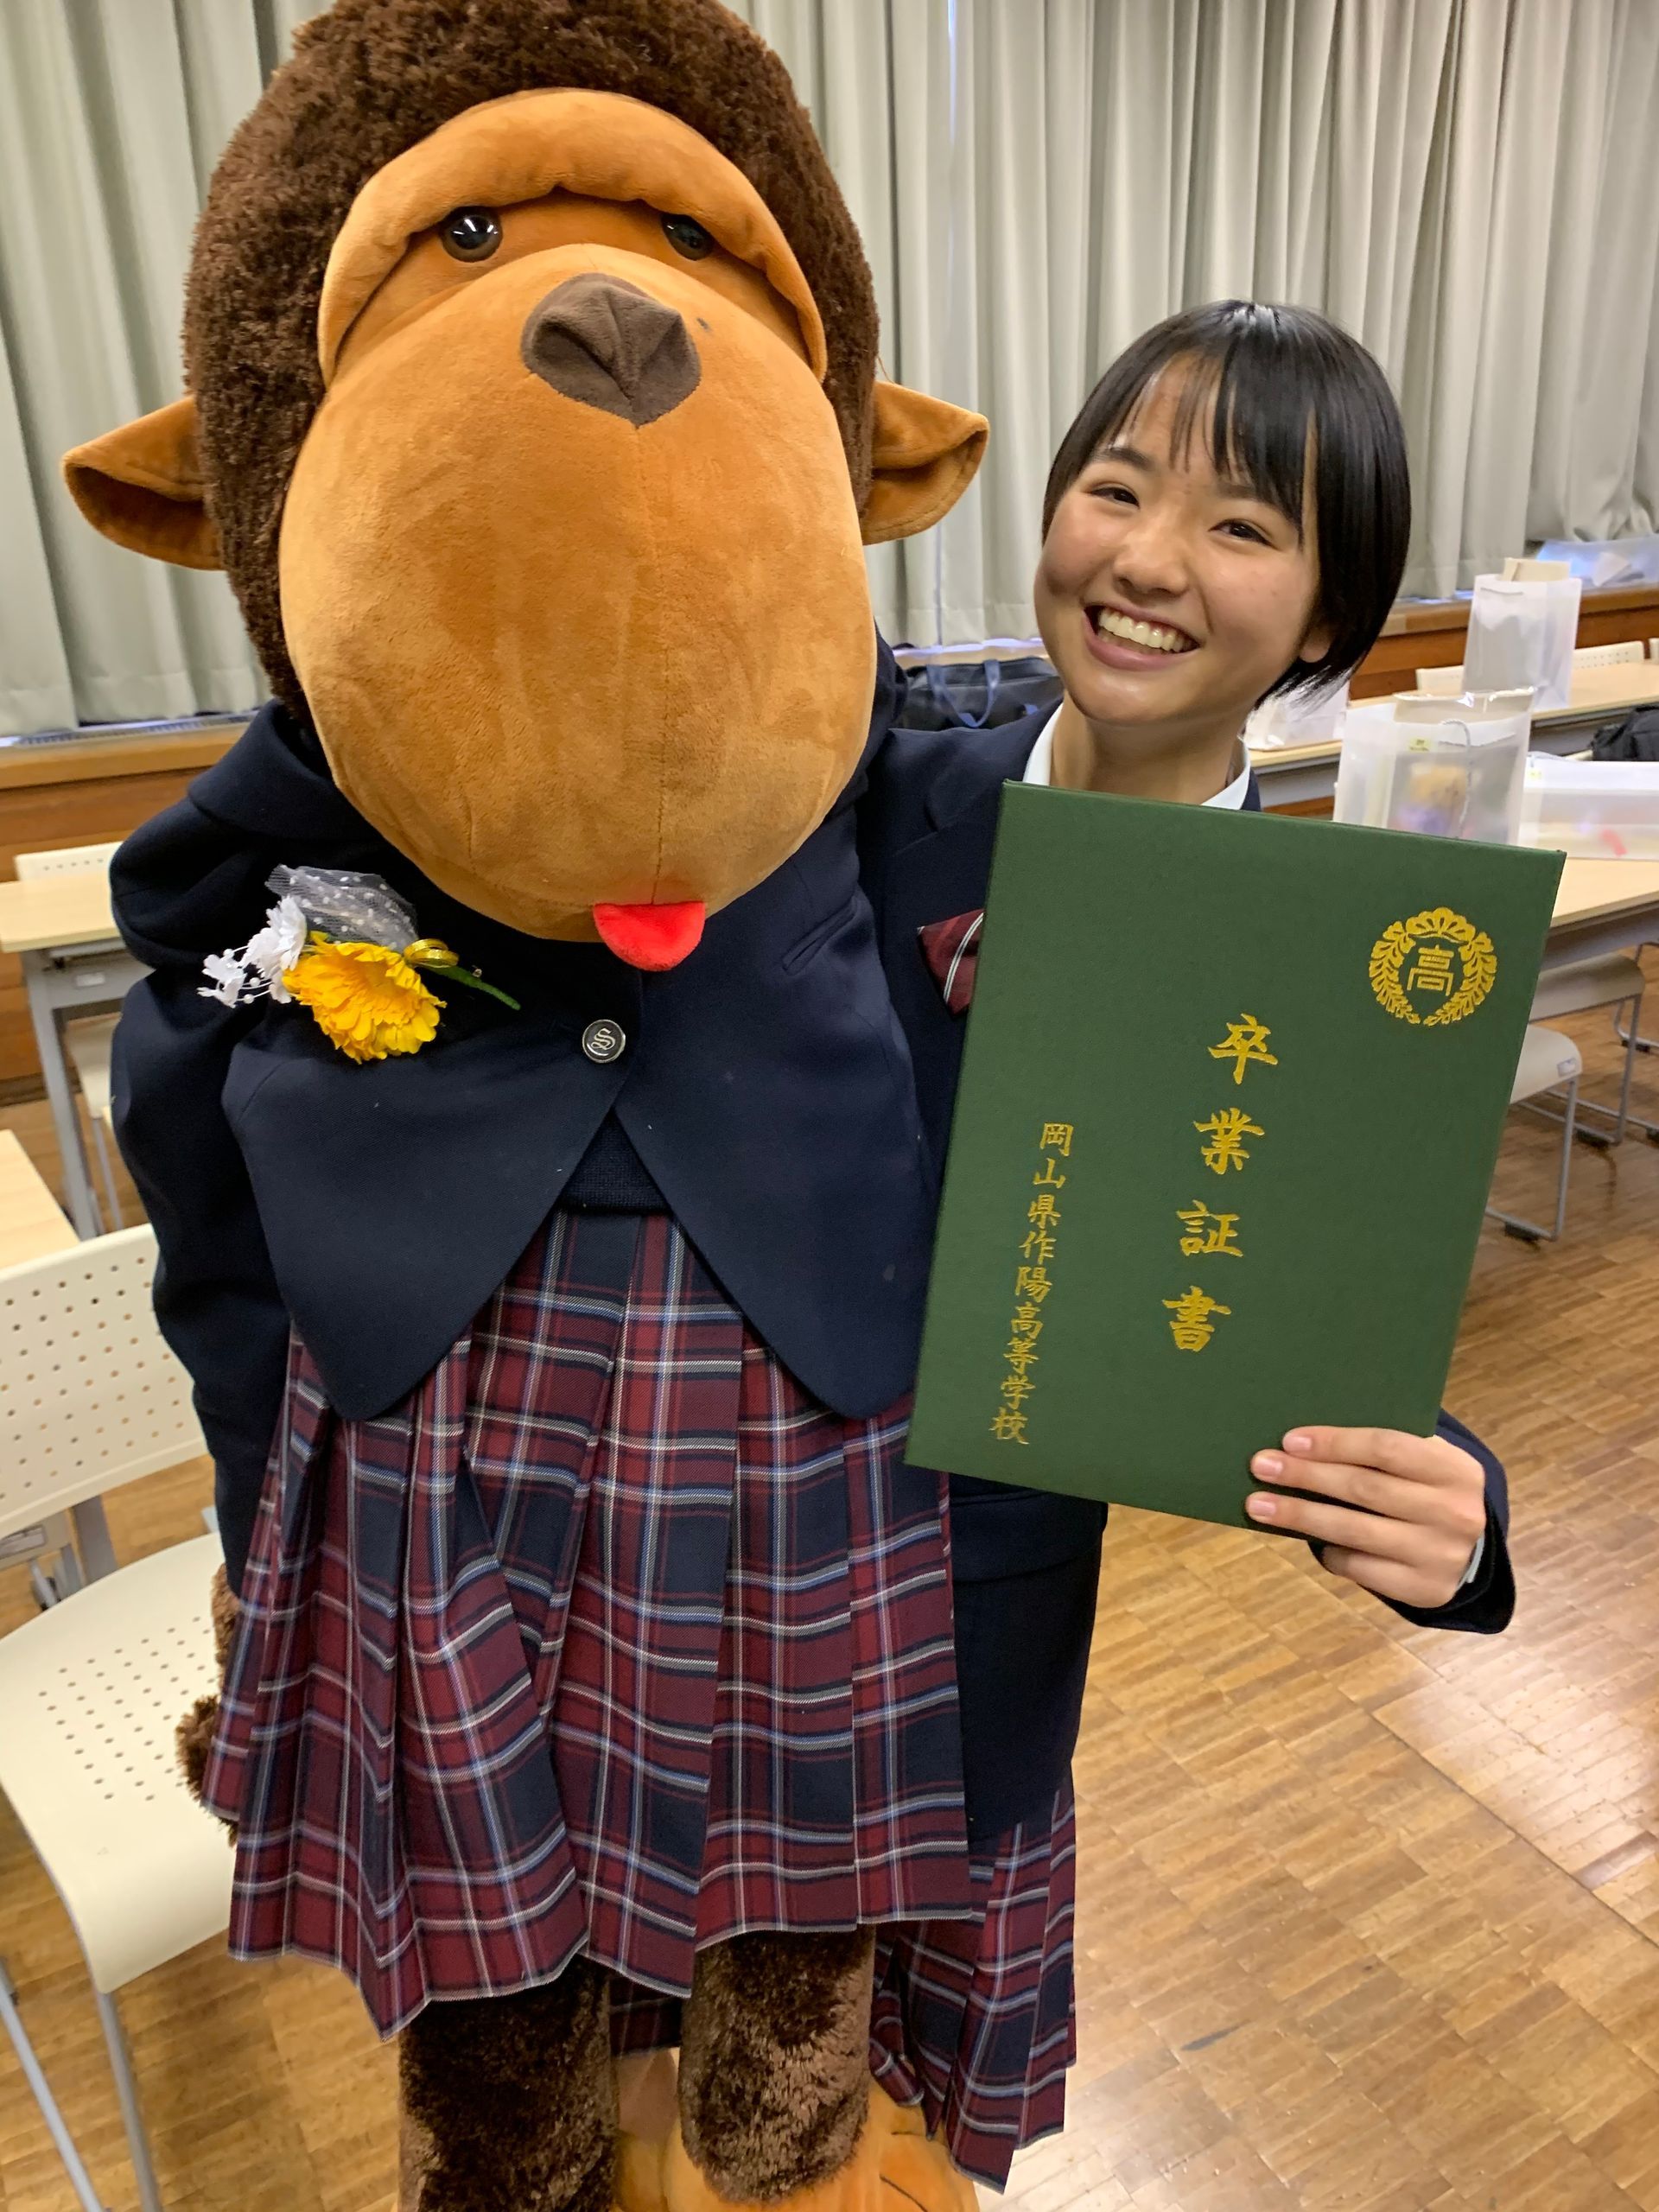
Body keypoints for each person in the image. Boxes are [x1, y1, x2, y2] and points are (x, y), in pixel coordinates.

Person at [858, 301, 1514, 2172]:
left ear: (1325, 613)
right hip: (718, 1603)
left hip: (981, 1680)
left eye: (1238, 522)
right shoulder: (851, 798)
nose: (1145, 559)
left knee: (912, 2156)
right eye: (1115, 486)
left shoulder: (1327, 964)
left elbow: (1321, 1328)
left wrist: (1447, 1512)